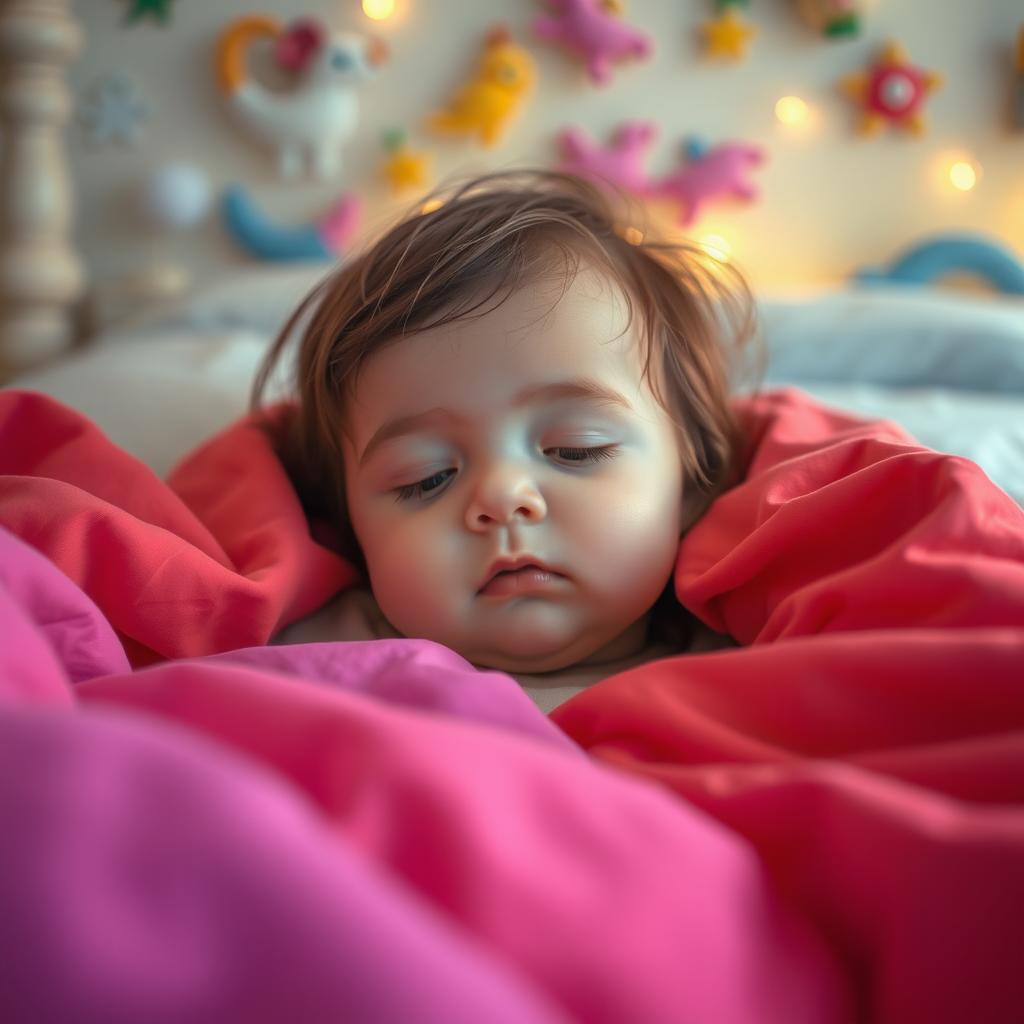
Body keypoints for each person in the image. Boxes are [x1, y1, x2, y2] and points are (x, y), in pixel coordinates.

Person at [253, 170, 757, 712]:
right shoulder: (310, 668)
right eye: (427, 479)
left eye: (575, 449)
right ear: (350, 529)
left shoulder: (751, 672)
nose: (500, 498)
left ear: (690, 482)